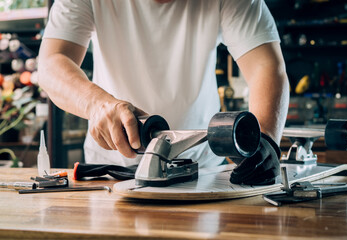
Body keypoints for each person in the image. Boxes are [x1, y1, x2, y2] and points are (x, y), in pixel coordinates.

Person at [38, 0, 289, 185]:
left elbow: (265, 66)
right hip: (112, 172)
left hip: (202, 173)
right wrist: (96, 104)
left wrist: (264, 140)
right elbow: (51, 63)